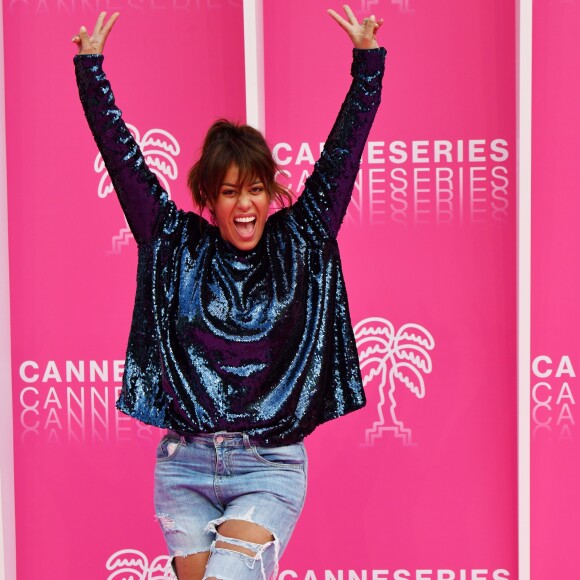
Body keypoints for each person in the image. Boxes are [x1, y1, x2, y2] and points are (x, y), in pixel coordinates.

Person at [73, 6, 386, 579]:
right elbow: (125, 163)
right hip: (184, 465)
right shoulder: (173, 243)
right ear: (210, 201)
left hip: (268, 465)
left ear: (271, 194)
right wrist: (91, 71)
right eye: (231, 192)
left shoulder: (304, 236)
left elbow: (343, 157)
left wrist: (367, 68)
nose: (246, 205)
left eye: (257, 190)